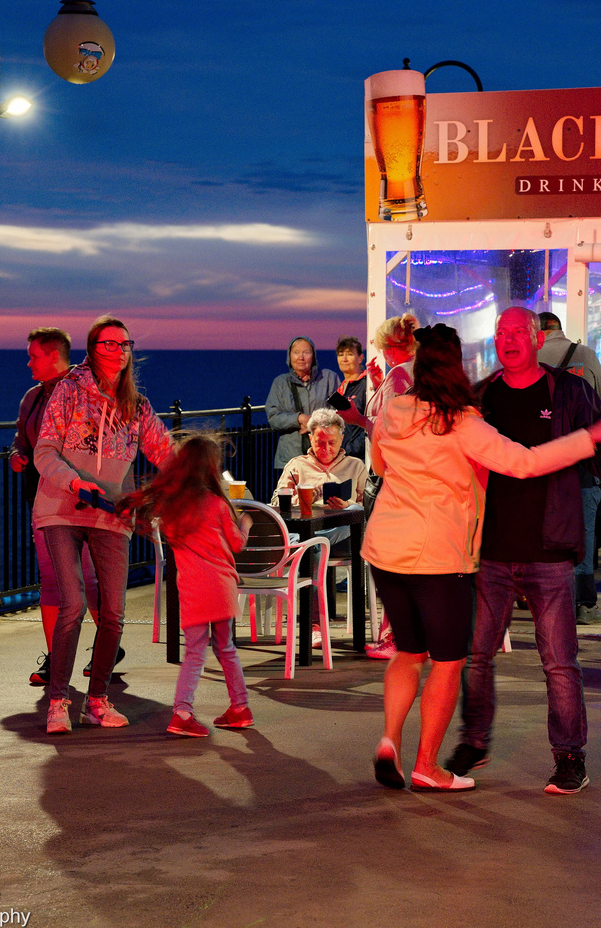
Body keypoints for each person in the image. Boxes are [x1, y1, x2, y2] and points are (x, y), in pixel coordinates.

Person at [363, 323, 601, 792]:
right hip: (437, 556)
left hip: (385, 550)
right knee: (450, 661)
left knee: (409, 653)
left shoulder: (394, 409)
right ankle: (428, 765)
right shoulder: (463, 421)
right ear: (457, 366)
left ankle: (389, 739)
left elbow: (382, 465)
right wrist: (594, 436)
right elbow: (526, 462)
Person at [446, 306, 601, 794]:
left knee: (559, 661)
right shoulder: (480, 397)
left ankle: (570, 757)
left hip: (549, 548)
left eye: (516, 333)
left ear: (535, 338)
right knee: (476, 655)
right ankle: (475, 741)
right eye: (500, 333)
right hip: (490, 549)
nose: (507, 340)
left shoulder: (569, 391)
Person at [34, 315, 172, 734]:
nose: (118, 351)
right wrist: (74, 482)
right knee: (72, 605)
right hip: (62, 507)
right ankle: (59, 701)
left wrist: (196, 472)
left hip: (111, 514)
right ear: (92, 350)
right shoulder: (68, 391)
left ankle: (97, 699)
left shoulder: (137, 406)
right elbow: (45, 452)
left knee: (113, 612)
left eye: (124, 344)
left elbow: (164, 451)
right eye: (108, 344)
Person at [121, 433, 254, 738]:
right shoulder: (218, 504)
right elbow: (236, 544)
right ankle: (240, 707)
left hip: (193, 588)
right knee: (226, 648)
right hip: (221, 586)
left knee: (194, 651)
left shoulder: (172, 508)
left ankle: (183, 711)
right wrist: (244, 524)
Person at [9, 327, 105, 686]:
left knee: (89, 581)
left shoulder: (83, 394)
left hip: (81, 502)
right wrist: (19, 456)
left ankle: (106, 645)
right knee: (50, 581)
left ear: (54, 356)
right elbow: (22, 439)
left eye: (34, 355)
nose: (28, 361)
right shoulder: (33, 398)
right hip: (43, 502)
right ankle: (56, 658)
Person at [339, 312, 419, 659]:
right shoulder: (412, 373)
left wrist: (356, 419)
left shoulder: (401, 377)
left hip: (392, 477)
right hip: (412, 478)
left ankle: (395, 637)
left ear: (388, 346)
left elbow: (388, 432)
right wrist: (379, 379)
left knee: (390, 560)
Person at [538, 311, 601, 625]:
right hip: (581, 460)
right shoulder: (585, 355)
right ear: (559, 329)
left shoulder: (525, 363)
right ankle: (584, 604)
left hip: (539, 463)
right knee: (583, 531)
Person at [271, 408, 367, 646]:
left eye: (331, 442)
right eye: (320, 442)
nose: (326, 448)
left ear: (342, 438)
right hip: (309, 536)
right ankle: (314, 625)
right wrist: (302, 498)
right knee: (311, 548)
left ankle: (306, 543)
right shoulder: (297, 465)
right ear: (310, 438)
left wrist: (347, 504)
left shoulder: (355, 466)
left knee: (354, 512)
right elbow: (275, 504)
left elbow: (369, 507)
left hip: (345, 538)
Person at [265, 337, 340, 472]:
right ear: (289, 356)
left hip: (324, 457)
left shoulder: (329, 378)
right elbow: (273, 417)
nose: (301, 357)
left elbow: (340, 412)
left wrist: (315, 422)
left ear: (314, 356)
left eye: (306, 352)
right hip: (290, 458)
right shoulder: (280, 383)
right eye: (296, 352)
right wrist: (299, 418)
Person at [334, 336, 367, 461]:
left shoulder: (366, 385)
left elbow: (371, 421)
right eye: (341, 354)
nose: (345, 359)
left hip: (361, 458)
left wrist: (349, 449)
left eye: (349, 354)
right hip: (343, 457)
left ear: (360, 358)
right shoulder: (341, 389)